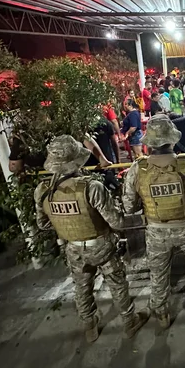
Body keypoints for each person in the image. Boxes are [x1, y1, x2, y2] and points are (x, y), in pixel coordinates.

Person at [34, 135, 149, 342]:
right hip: (101, 246)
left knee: (81, 286)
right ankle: (130, 322)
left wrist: (67, 225)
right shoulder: (91, 187)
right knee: (117, 283)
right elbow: (117, 223)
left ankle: (89, 327)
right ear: (76, 159)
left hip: (73, 249)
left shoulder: (43, 191)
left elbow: (43, 224)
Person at [122, 115, 185, 329]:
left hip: (156, 230)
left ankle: (162, 315)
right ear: (172, 140)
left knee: (158, 273)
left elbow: (130, 207)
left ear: (149, 143)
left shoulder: (138, 169)